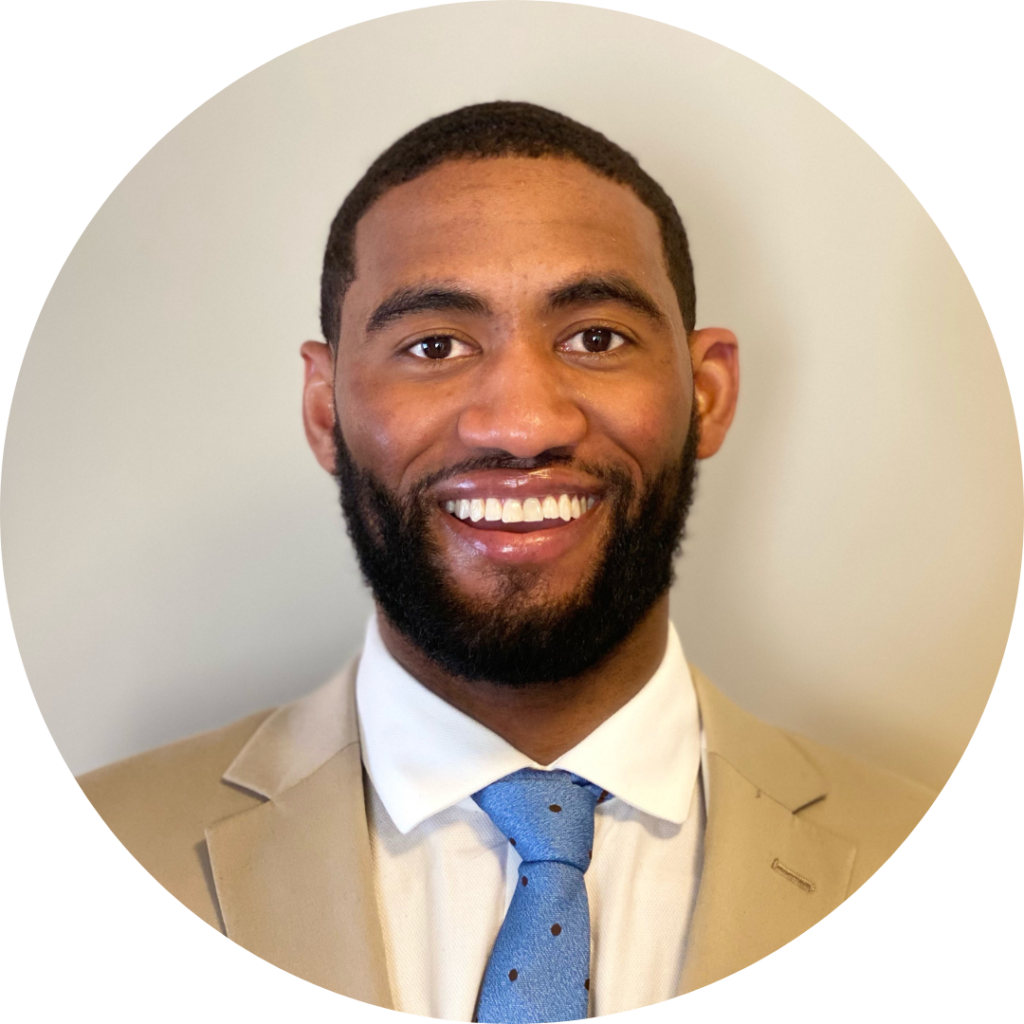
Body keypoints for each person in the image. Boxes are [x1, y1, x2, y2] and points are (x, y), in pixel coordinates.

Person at [79, 102, 934, 1022]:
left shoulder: (950, 871)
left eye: (596, 338)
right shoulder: (73, 866)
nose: (523, 425)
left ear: (708, 395)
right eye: (435, 345)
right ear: (326, 411)